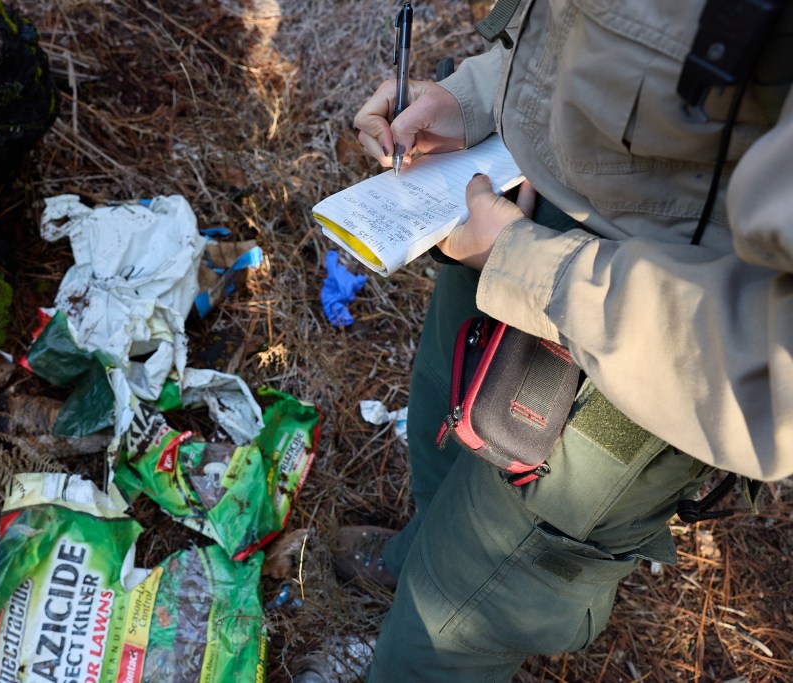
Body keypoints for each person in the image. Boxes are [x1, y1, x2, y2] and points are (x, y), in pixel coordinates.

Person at [330, 0, 793, 680]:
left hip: (649, 344)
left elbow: (775, 371)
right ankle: (417, 554)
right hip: (519, 215)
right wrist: (478, 98)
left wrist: (526, 267)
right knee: (441, 418)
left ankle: (434, 602)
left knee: (461, 611)